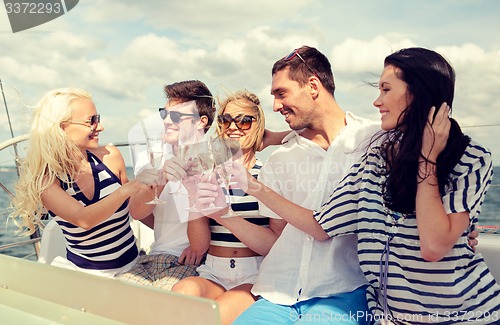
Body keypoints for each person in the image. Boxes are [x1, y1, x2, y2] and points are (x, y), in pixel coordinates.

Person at [232, 47, 500, 324]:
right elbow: (320, 226)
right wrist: (263, 163)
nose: (376, 101)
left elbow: (433, 246)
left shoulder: (470, 157)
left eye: (386, 89)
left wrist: (428, 164)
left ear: (417, 93)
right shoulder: (375, 156)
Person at [171, 89, 287, 324]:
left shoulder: (269, 174)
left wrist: (224, 215)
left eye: (244, 121)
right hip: (214, 270)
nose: (233, 126)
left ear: (259, 126)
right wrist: (194, 195)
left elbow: (275, 245)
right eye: (226, 120)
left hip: (255, 272)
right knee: (179, 296)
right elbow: (199, 245)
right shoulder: (208, 174)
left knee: (213, 315)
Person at [9, 88, 150, 277]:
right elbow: (84, 219)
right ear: (61, 127)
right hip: (87, 276)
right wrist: (126, 190)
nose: (100, 127)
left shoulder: (111, 157)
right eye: (91, 120)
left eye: (97, 118)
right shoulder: (46, 181)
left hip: (134, 266)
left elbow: (136, 209)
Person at [116, 80, 216, 289]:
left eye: (177, 116)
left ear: (201, 121)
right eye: (165, 113)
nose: (168, 121)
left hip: (189, 262)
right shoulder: (157, 159)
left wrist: (198, 249)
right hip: (154, 257)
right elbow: (136, 212)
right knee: (114, 296)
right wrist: (161, 178)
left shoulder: (213, 163)